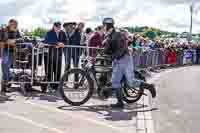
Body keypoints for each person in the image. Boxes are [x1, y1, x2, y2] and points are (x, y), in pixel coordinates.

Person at [102, 18, 156, 108]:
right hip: (117, 60)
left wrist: (112, 56)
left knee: (130, 82)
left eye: (104, 26)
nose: (103, 28)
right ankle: (120, 102)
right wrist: (103, 52)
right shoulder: (110, 36)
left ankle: (150, 86)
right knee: (115, 82)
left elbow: (121, 49)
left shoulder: (118, 34)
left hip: (124, 59)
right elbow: (108, 49)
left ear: (108, 26)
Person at [0, 19, 22, 97]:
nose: (14, 26)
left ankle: (5, 86)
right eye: (13, 24)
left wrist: (14, 41)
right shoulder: (4, 30)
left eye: (15, 25)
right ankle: (9, 78)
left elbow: (20, 39)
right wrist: (1, 54)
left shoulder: (17, 31)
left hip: (13, 51)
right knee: (4, 65)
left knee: (7, 67)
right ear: (9, 24)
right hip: (5, 50)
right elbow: (2, 41)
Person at [43, 22, 65, 91]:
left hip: (59, 55)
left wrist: (63, 44)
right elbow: (47, 41)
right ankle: (48, 86)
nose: (59, 29)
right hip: (49, 55)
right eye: (57, 27)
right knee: (49, 72)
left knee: (58, 72)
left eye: (59, 27)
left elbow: (66, 41)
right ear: (54, 26)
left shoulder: (62, 33)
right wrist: (57, 43)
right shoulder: (49, 32)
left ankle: (56, 87)